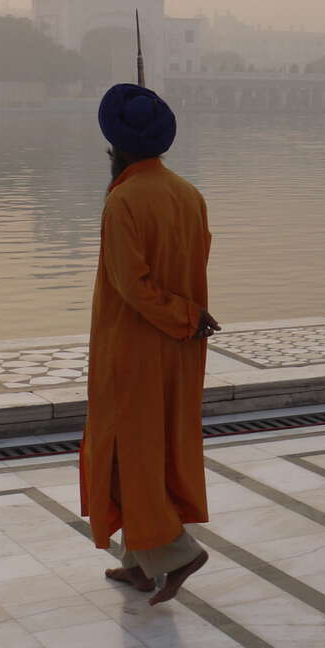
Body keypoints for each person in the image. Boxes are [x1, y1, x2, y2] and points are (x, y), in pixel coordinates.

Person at [80, 83, 220, 606]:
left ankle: (176, 552)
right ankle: (139, 563)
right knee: (152, 447)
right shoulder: (188, 193)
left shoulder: (123, 200)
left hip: (136, 346)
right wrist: (188, 318)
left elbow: (131, 284)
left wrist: (183, 314)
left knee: (123, 450)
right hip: (180, 346)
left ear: (115, 149)